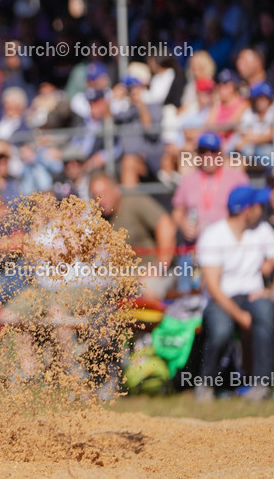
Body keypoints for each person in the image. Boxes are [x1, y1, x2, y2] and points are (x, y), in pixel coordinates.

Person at [195, 186, 274, 403]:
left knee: (266, 313)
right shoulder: (213, 235)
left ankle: (261, 385)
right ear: (247, 211)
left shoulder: (262, 230)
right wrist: (240, 317)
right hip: (221, 299)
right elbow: (213, 287)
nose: (263, 209)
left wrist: (270, 289)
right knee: (221, 330)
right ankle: (207, 385)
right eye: (258, 205)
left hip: (252, 295)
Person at [89, 172, 176, 301]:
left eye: (104, 193)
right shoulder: (97, 216)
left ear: (117, 190)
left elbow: (166, 225)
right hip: (120, 275)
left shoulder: (134, 201)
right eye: (96, 196)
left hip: (153, 270)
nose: (101, 200)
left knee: (148, 293)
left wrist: (159, 266)